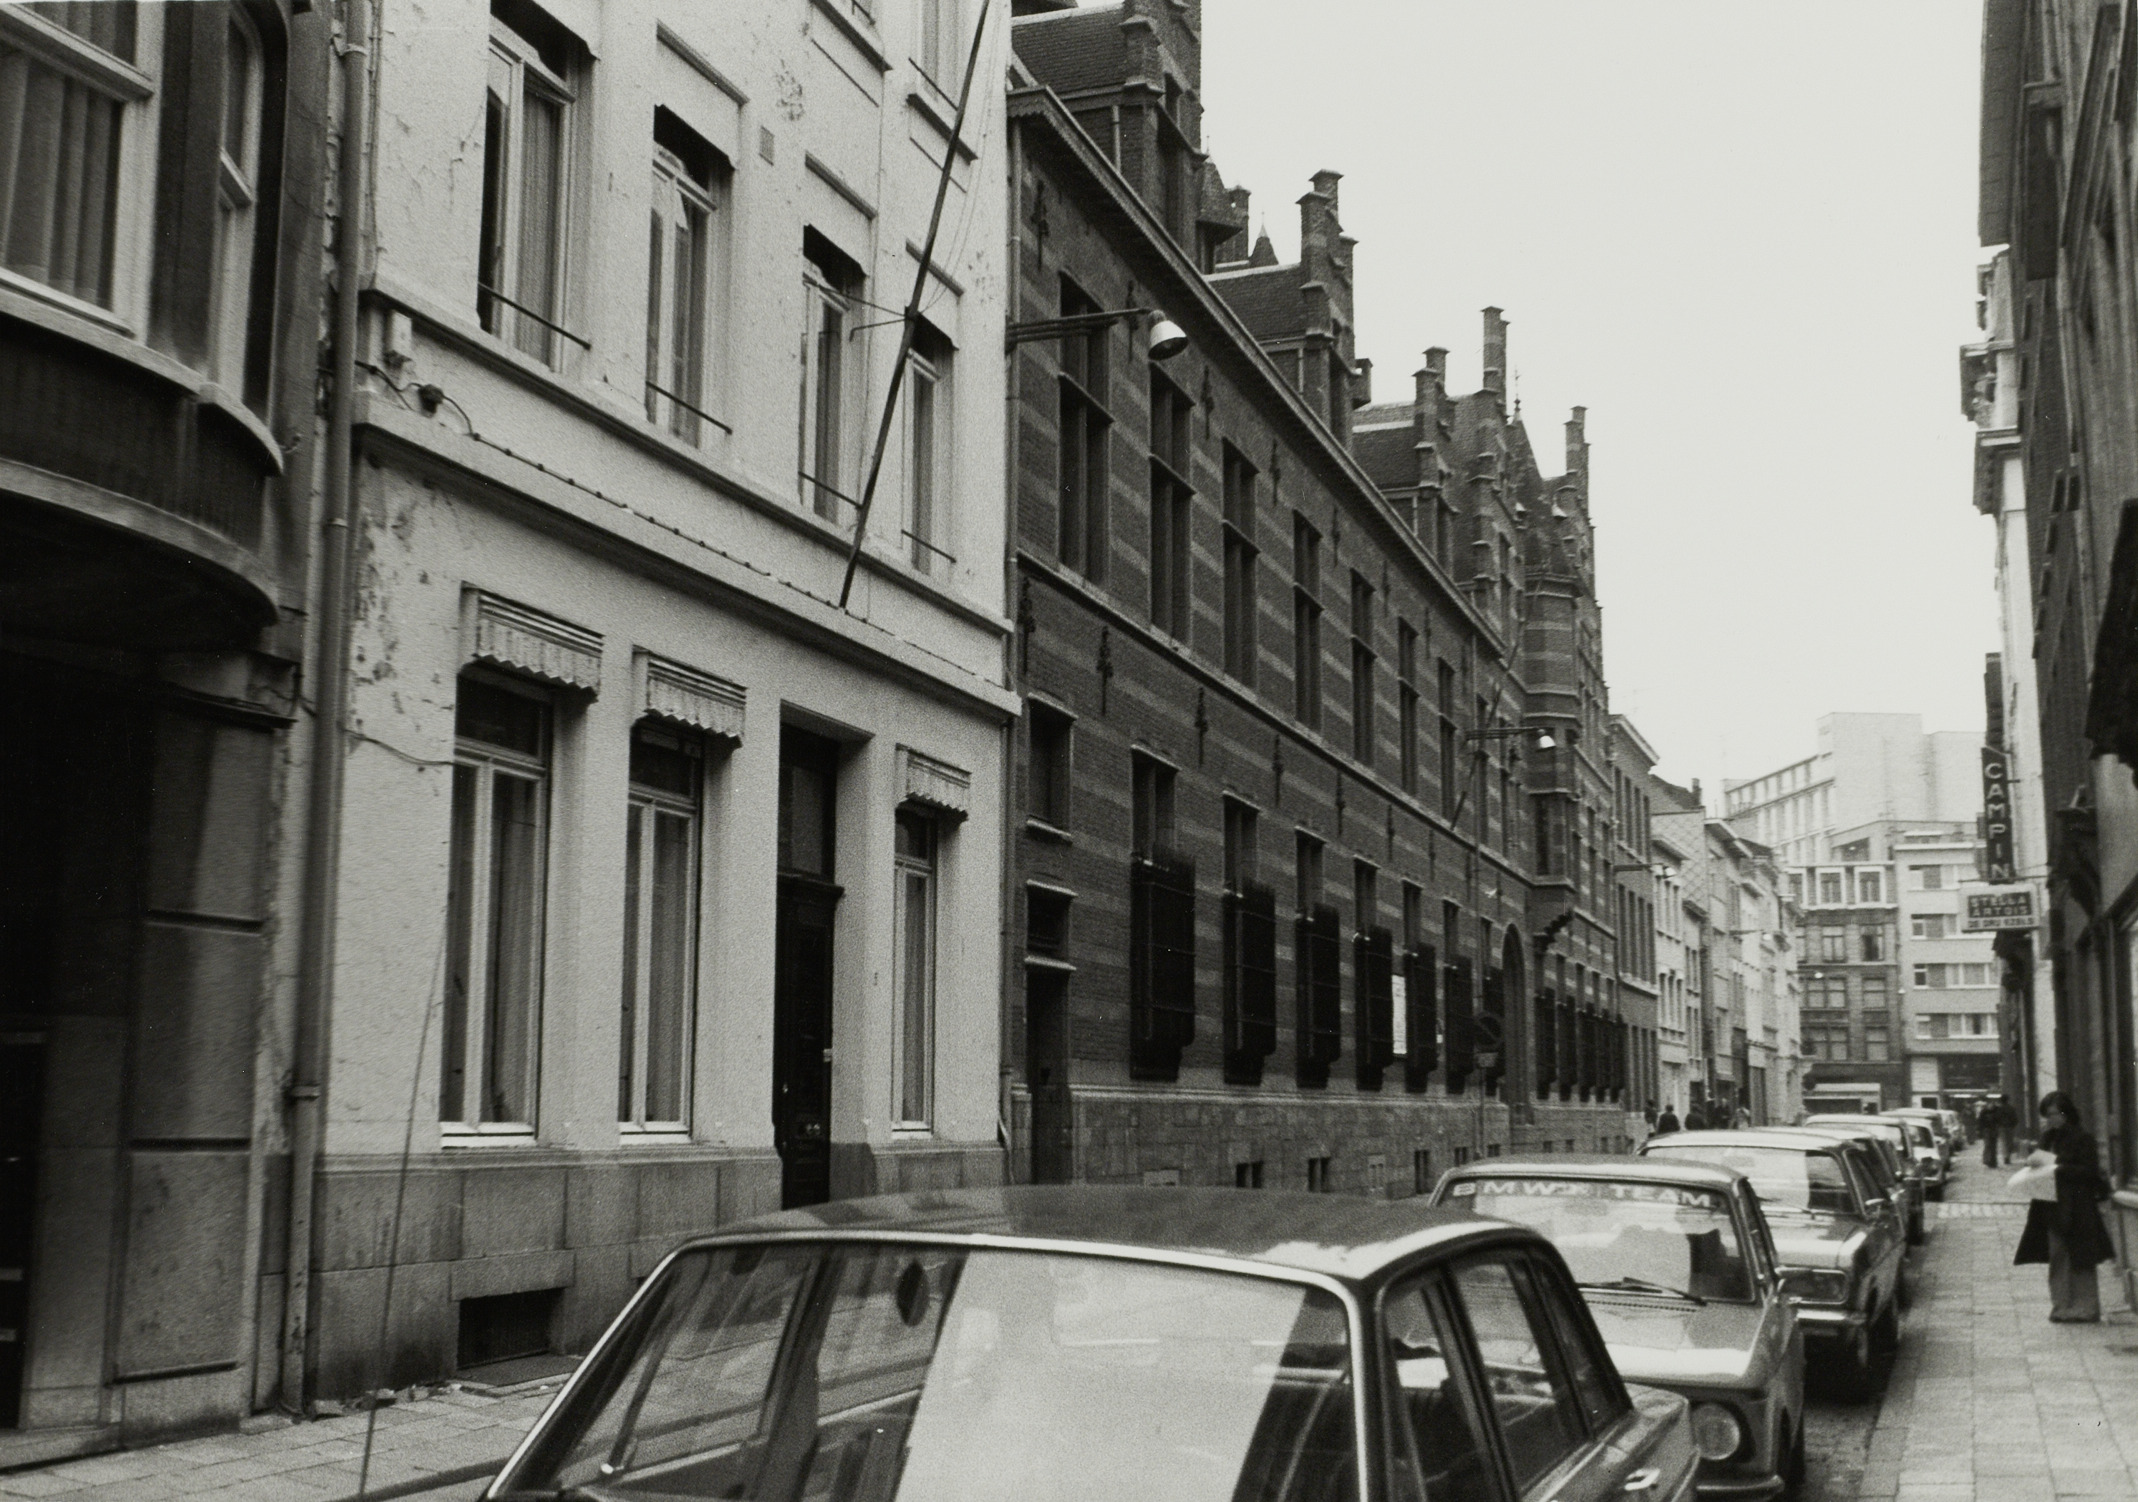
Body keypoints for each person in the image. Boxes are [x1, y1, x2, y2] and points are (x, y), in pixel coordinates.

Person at [2013, 1091, 2115, 1323]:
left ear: (2066, 1113)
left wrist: (2057, 1168)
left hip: (2079, 1206)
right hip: (2051, 1205)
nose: (2050, 1119)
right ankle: (2061, 1307)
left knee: (2081, 1257)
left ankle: (2086, 1308)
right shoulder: (2047, 1138)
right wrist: (2033, 1165)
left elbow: (2089, 1171)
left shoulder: (2083, 1138)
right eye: (2047, 1115)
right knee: (2058, 1256)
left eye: (2054, 1114)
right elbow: (2041, 1168)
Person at [1982, 1097, 2010, 1167]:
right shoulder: (1984, 1111)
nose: (1991, 1104)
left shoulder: (1996, 1111)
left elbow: (2000, 1120)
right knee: (1988, 1145)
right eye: (1990, 1103)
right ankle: (1988, 1160)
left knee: (1992, 1146)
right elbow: (1981, 1122)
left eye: (1992, 1103)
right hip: (1987, 1130)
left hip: (1993, 1130)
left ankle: (1992, 1161)